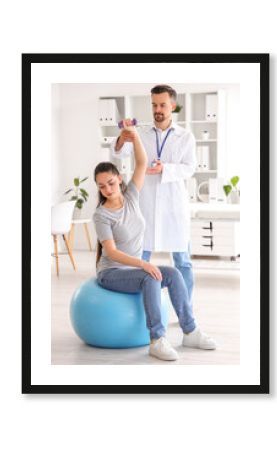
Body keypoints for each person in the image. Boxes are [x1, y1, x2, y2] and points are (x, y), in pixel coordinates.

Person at [93, 120, 216, 362]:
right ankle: (157, 339)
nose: (108, 189)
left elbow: (141, 162)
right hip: (112, 272)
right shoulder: (101, 214)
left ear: (119, 179)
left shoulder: (131, 197)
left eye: (111, 182)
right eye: (102, 186)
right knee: (150, 275)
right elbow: (112, 253)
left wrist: (134, 135)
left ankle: (190, 331)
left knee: (173, 273)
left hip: (131, 269)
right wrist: (143, 264)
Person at [112, 85, 196, 307]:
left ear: (173, 106)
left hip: (173, 206)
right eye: (154, 105)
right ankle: (137, 306)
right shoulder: (142, 134)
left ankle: (184, 308)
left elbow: (189, 168)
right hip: (145, 205)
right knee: (140, 258)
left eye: (162, 105)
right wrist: (122, 138)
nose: (157, 109)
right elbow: (120, 152)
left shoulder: (185, 136)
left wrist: (165, 168)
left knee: (183, 261)